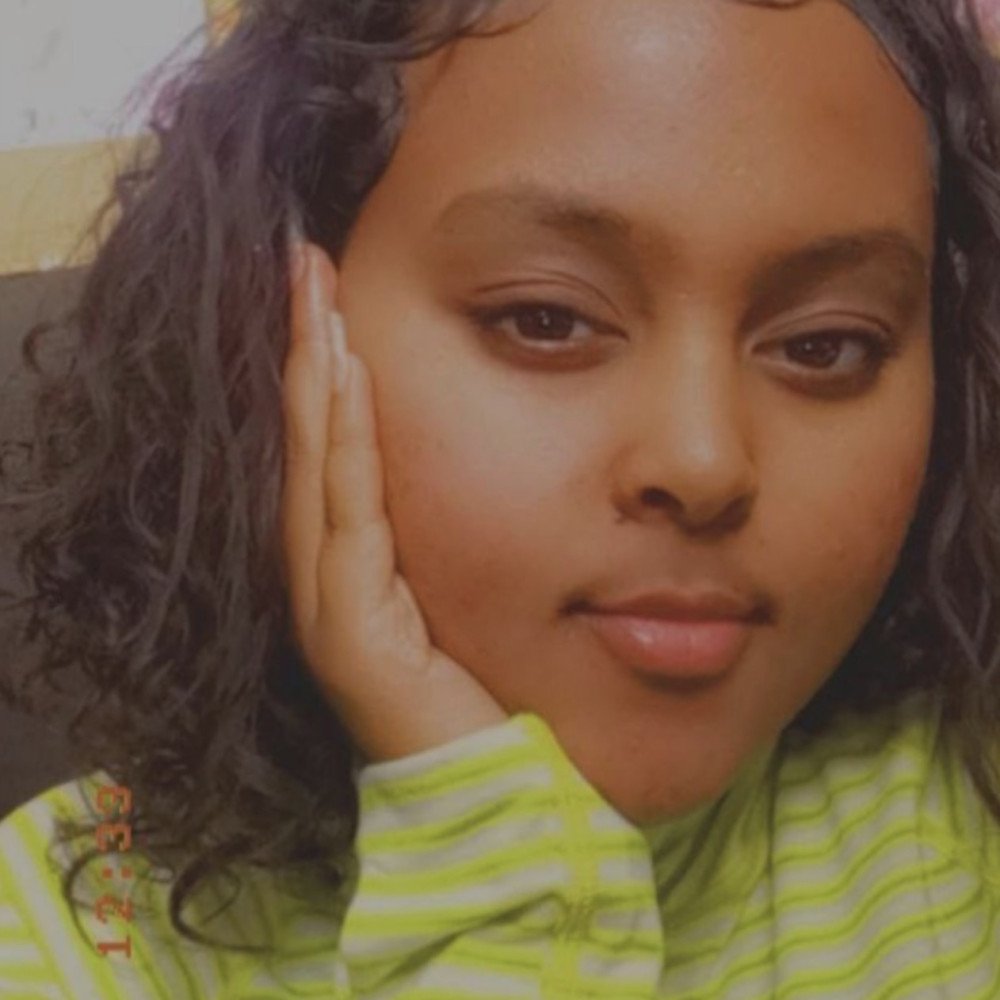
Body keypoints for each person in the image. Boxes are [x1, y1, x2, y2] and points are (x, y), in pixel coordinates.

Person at [1, 0, 999, 996]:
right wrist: (490, 869)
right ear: (263, 330)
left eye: (824, 345)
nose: (704, 463)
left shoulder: (973, 795)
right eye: (546, 318)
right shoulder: (69, 936)